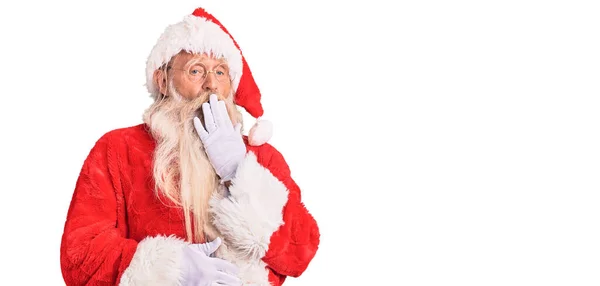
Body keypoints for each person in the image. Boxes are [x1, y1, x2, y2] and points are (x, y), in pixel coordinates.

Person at [59, 7, 320, 286]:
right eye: (196, 70)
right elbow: (79, 257)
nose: (211, 85)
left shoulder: (261, 157)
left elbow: (300, 251)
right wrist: (167, 269)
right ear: (162, 80)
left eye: (221, 72)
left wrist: (239, 172)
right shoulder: (117, 149)